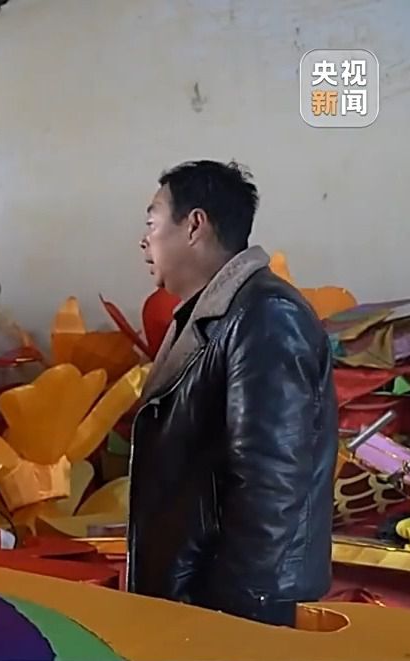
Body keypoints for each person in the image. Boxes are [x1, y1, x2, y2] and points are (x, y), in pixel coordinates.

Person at [127, 159, 337, 626]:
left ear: (194, 225)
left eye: (152, 223)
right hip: (195, 590)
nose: (144, 241)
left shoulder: (266, 314)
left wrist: (231, 614)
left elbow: (271, 481)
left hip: (231, 606)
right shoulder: (205, 315)